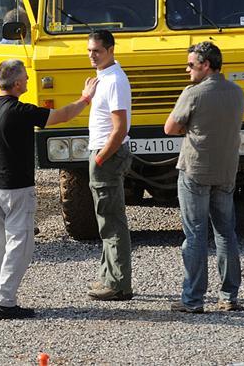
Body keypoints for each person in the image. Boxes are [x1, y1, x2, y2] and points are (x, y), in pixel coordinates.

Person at [0, 60, 97, 320]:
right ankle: (5, 301)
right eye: (26, 79)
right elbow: (61, 116)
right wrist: (85, 98)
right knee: (19, 244)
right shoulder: (20, 111)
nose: (29, 82)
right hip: (16, 187)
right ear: (18, 83)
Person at [164, 41, 244, 314]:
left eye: (191, 64)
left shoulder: (193, 93)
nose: (187, 70)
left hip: (195, 169)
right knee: (226, 232)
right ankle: (229, 295)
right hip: (226, 170)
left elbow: (170, 127)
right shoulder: (237, 93)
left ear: (206, 65)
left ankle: (193, 299)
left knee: (195, 234)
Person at [85, 29, 134, 302]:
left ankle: (118, 284)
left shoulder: (114, 80)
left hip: (108, 155)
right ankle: (109, 276)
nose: (92, 56)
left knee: (112, 220)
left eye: (97, 51)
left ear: (111, 50)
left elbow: (120, 127)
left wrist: (101, 157)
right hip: (104, 152)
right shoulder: (105, 78)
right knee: (106, 217)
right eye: (90, 50)